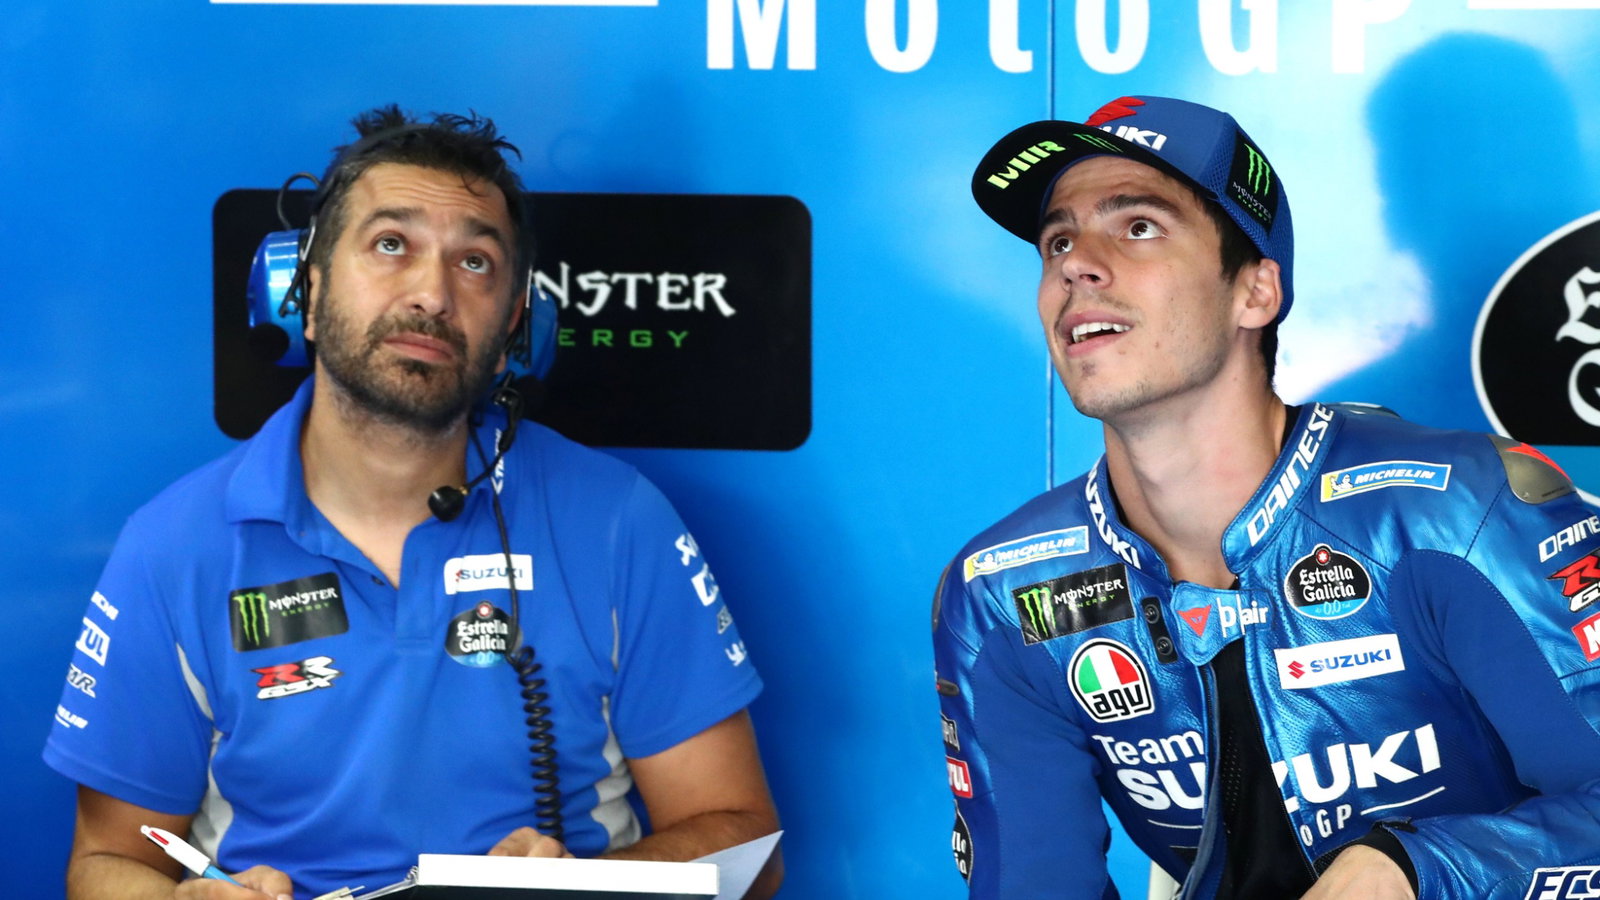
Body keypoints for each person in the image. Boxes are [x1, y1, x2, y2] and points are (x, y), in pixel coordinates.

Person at [44, 106, 781, 900]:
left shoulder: (617, 523)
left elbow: (746, 844)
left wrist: (581, 890)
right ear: (304, 291)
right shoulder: (173, 546)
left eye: (475, 262)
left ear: (515, 328)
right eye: (391, 244)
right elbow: (105, 862)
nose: (432, 292)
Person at [932, 95, 1600, 899]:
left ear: (1255, 292)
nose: (1077, 266)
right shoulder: (1007, 592)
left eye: (1138, 226)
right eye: (1059, 241)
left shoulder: (1455, 512)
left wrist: (1415, 869)